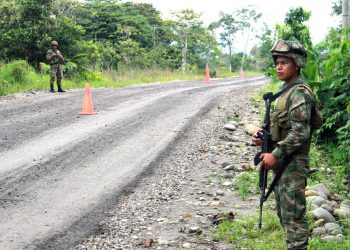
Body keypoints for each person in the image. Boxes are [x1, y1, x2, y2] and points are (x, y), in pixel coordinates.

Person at [252, 39, 322, 250]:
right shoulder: (285, 91)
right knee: (284, 213)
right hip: (282, 162)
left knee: (294, 217)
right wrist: (264, 138)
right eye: (277, 62)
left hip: (292, 163)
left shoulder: (299, 93)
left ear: (297, 64)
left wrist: (277, 152)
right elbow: (284, 126)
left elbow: (301, 131)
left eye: (284, 62)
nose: (279, 67)